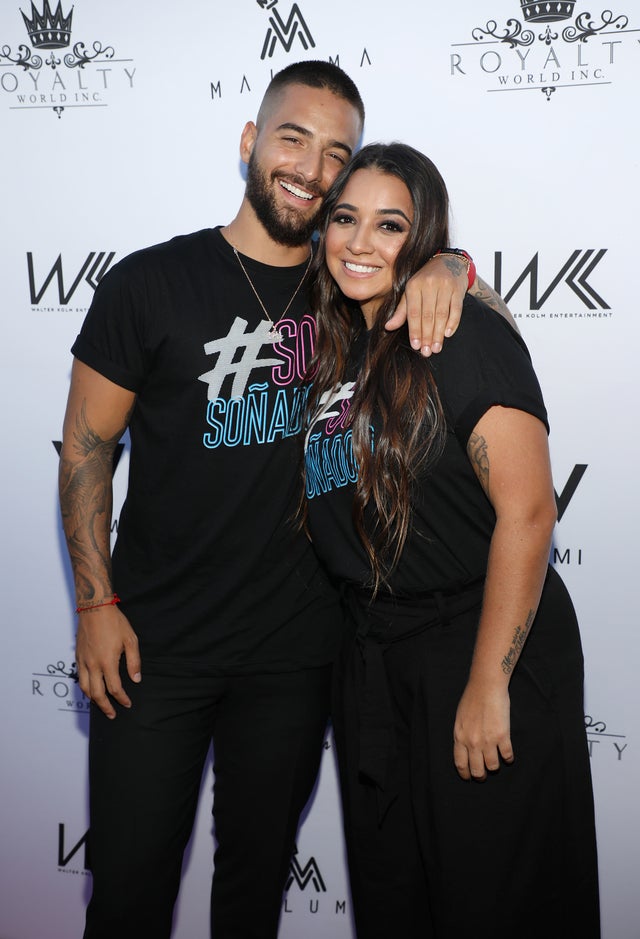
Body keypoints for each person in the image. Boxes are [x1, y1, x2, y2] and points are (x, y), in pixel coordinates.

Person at [302, 142, 600, 939]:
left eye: (389, 224)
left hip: (480, 645)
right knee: (400, 904)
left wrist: (487, 684)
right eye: (345, 218)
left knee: (497, 903)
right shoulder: (335, 349)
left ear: (424, 236)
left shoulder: (460, 337)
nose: (360, 242)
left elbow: (530, 512)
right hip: (375, 663)